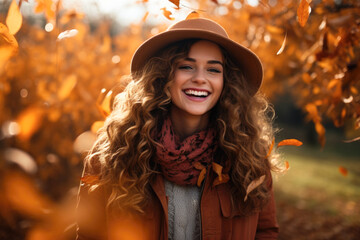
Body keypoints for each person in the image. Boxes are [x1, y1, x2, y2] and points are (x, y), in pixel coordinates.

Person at [76, 18, 279, 240]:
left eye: (213, 69)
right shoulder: (112, 155)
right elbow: (88, 233)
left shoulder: (250, 161)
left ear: (226, 82)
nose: (200, 78)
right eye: (186, 66)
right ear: (163, 75)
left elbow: (265, 232)